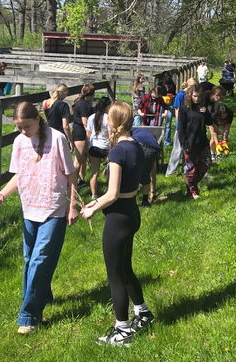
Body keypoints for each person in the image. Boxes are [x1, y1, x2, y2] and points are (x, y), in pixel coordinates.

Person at [0, 101, 79, 335]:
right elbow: (20, 174)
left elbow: (71, 175)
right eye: (18, 127)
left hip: (54, 208)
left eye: (26, 126)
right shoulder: (20, 142)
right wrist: (2, 194)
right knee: (30, 259)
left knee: (39, 260)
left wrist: (72, 206)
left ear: (38, 120)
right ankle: (42, 295)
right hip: (29, 207)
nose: (22, 132)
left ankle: (29, 316)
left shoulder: (58, 138)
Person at [80, 101, 155, 346]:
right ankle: (143, 313)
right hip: (131, 213)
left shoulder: (117, 152)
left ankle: (122, 330)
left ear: (111, 122)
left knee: (115, 275)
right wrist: (95, 203)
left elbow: (112, 194)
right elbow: (124, 188)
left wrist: (93, 208)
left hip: (118, 219)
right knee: (125, 268)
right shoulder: (135, 145)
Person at [177, 86, 212, 198]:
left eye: (198, 96)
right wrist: (184, 143)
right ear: (190, 96)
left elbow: (209, 122)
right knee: (191, 168)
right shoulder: (184, 109)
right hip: (189, 142)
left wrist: (206, 113)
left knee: (206, 163)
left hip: (202, 141)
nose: (196, 99)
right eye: (194, 96)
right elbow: (180, 128)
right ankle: (191, 191)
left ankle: (193, 184)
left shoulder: (202, 108)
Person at [165, 78, 194, 176]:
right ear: (189, 86)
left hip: (190, 126)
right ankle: (171, 171)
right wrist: (180, 125)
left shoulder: (192, 96)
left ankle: (187, 169)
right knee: (177, 149)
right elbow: (177, 111)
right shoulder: (180, 95)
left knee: (188, 149)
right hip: (181, 126)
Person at [86, 96, 113, 198]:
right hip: (106, 147)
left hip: (94, 147)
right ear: (107, 106)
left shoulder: (91, 117)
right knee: (110, 171)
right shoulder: (108, 118)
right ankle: (109, 192)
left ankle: (94, 195)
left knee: (94, 172)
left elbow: (88, 134)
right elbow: (110, 136)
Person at [132, 126, 162, 207]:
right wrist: (153, 191)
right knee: (146, 176)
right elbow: (153, 172)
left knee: (133, 175)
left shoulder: (131, 132)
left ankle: (131, 201)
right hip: (153, 151)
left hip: (139, 147)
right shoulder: (152, 138)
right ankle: (145, 201)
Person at [71, 84, 95, 183]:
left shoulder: (81, 102)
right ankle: (72, 182)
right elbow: (85, 122)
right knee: (78, 160)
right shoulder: (84, 105)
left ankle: (81, 180)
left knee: (83, 158)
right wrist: (89, 135)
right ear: (91, 94)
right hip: (81, 132)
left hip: (78, 131)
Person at [210, 87, 234, 159]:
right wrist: (217, 143)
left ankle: (219, 153)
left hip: (220, 119)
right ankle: (212, 152)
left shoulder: (230, 114)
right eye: (222, 116)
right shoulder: (213, 114)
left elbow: (227, 129)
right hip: (213, 121)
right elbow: (213, 131)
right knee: (213, 137)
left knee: (223, 135)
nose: (224, 117)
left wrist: (224, 141)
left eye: (225, 116)